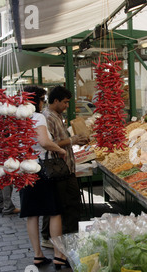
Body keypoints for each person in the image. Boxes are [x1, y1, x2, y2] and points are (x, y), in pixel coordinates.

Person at [20, 85, 69, 269]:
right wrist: (60, 150)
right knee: (54, 211)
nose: (43, 103)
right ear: (36, 100)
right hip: (41, 168)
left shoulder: (16, 117)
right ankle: (58, 255)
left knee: (32, 214)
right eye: (42, 99)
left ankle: (38, 255)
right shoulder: (37, 116)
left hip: (24, 169)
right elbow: (44, 142)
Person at [41, 86, 87, 247]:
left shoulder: (57, 116)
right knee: (61, 203)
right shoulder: (48, 118)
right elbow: (49, 143)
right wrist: (72, 140)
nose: (67, 106)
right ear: (55, 101)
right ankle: (52, 237)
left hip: (66, 167)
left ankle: (64, 235)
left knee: (66, 202)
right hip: (58, 168)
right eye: (65, 102)